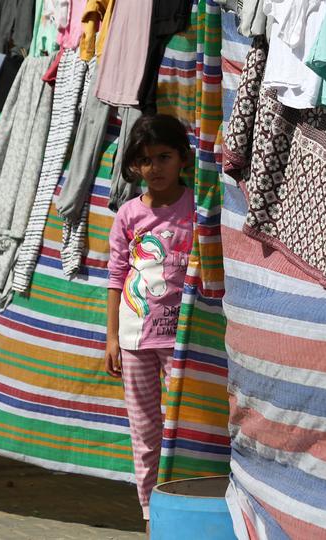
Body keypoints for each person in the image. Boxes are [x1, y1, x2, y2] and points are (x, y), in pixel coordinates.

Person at [105, 114, 195, 528]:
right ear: (133, 166)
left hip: (186, 340)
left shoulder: (199, 208)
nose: (154, 168)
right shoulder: (127, 215)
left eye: (163, 157)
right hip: (135, 339)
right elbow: (116, 276)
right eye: (144, 160)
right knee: (145, 433)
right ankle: (150, 515)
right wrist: (111, 338)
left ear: (182, 159)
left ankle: (186, 506)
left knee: (187, 427)